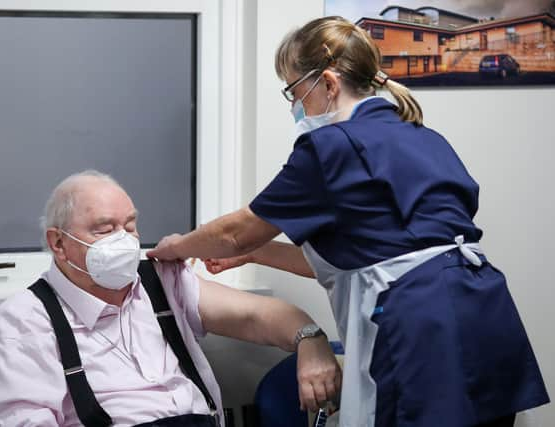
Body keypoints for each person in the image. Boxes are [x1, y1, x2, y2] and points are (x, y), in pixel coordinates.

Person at [147, 16, 550, 427]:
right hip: (483, 311)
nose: (293, 105)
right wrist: (257, 255)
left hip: (420, 323)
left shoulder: (331, 145)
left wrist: (172, 247)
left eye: (292, 90)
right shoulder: (422, 137)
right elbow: (360, 261)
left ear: (327, 83)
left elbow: (235, 232)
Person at [0, 170, 341, 427]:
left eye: (131, 225)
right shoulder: (24, 320)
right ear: (58, 243)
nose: (124, 239)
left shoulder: (161, 282)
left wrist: (310, 338)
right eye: (105, 230)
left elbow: (259, 317)